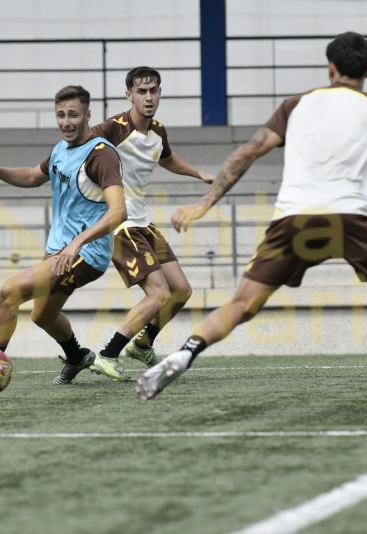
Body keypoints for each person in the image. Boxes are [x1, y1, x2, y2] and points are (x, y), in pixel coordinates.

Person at [134, 31, 367, 420]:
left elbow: (248, 151)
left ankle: (184, 354)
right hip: (353, 221)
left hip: (294, 220)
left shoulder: (296, 105)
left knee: (242, 304)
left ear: (330, 67)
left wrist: (204, 203)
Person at [0, 84, 126, 391]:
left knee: (10, 292)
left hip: (86, 254)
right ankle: (77, 356)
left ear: (88, 114)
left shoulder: (101, 156)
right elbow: (34, 176)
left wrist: (77, 243)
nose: (66, 122)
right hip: (59, 250)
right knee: (43, 315)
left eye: (73, 114)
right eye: (60, 115)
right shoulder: (61, 149)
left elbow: (118, 213)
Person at [80, 66, 215, 383]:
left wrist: (199, 174)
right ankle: (108, 355)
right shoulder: (112, 129)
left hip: (143, 222)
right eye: (141, 91)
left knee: (181, 291)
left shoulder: (159, 132)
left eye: (153, 90)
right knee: (158, 295)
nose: (148, 96)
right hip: (119, 223)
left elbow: (167, 159)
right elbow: (79, 149)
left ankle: (143, 344)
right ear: (129, 95)